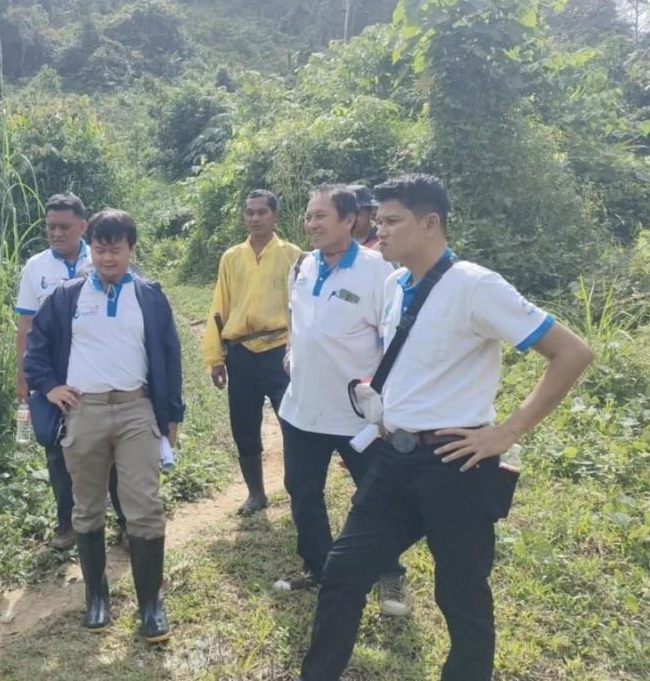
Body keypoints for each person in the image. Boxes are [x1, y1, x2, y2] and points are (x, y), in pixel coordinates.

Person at [299, 174, 593, 681]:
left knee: (461, 593)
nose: (379, 230)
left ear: (430, 222)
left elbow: (571, 352)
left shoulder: (475, 285)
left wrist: (507, 432)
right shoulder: (394, 285)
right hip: (394, 460)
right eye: (379, 220)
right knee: (343, 571)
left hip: (456, 462)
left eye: (393, 220)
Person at [23, 209, 184, 643]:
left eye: (116, 249)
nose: (107, 257)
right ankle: (97, 597)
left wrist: (172, 415)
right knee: (87, 506)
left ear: (131, 249)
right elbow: (36, 349)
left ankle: (151, 604)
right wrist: (50, 387)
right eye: (99, 249)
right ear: (89, 250)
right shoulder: (67, 297)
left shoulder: (150, 296)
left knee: (144, 506)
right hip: (85, 412)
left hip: (136, 411)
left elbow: (169, 355)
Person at [273, 184, 410, 617]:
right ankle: (318, 568)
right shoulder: (303, 265)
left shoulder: (379, 271)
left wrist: (388, 404)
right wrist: (292, 349)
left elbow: (393, 341)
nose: (311, 224)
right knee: (303, 492)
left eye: (321, 216)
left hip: (358, 417)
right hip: (302, 410)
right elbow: (296, 317)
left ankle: (390, 574)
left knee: (376, 498)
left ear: (349, 220)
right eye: (308, 216)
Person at [14, 193, 126, 550]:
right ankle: (67, 523)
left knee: (111, 448)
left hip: (98, 371)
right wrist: (23, 375)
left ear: (83, 226)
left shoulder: (102, 257)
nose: (56, 233)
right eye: (51, 227)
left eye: (64, 226)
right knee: (56, 447)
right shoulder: (35, 268)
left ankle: (126, 522)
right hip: (53, 374)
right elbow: (26, 325)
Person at [203, 189, 302, 515]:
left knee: (291, 422)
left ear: (275, 216)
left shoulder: (292, 255)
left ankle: (299, 489)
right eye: (249, 212)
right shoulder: (232, 257)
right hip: (241, 352)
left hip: (280, 351)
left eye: (262, 212)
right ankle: (256, 493)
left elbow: (302, 307)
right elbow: (220, 306)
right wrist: (215, 357)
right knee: (243, 424)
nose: (255, 218)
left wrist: (299, 349)